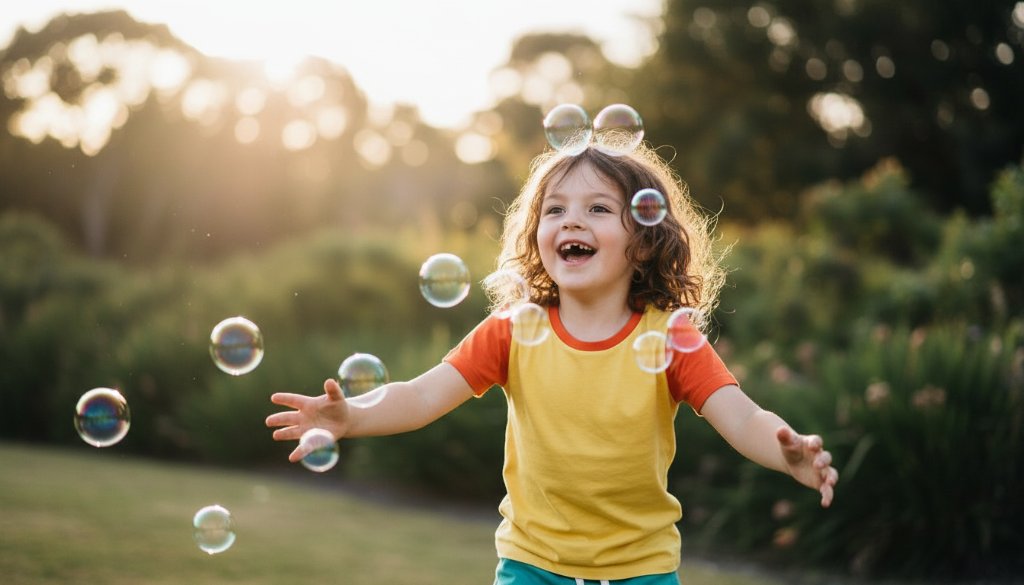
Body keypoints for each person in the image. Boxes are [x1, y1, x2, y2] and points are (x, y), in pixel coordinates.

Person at [265, 142, 839, 585]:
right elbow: (418, 396)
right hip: (531, 565)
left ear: (642, 241)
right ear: (537, 234)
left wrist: (787, 454)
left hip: (640, 569)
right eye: (555, 209)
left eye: (597, 208)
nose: (570, 221)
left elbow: (741, 418)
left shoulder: (672, 336)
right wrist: (351, 417)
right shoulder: (515, 329)